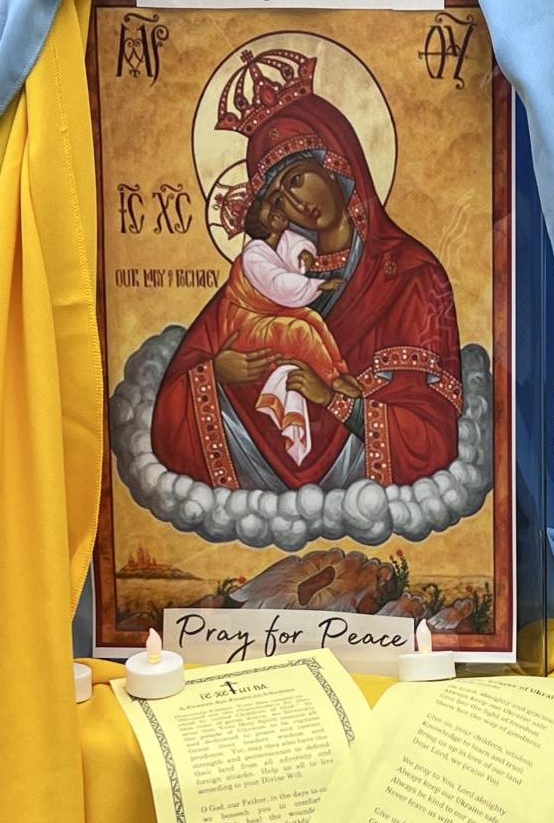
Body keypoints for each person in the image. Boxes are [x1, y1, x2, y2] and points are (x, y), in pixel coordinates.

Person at [151, 48, 463, 493]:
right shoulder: (266, 272)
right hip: (259, 484)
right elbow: (167, 419)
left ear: (335, 161)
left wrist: (334, 402)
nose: (296, 205)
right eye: (278, 200)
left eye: (297, 178)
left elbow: (434, 440)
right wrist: (216, 373)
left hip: (359, 488)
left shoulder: (413, 276)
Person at [216, 190, 362, 468]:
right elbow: (279, 284)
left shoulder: (278, 243)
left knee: (313, 320)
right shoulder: (253, 255)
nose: (279, 212)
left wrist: (304, 253)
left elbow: (293, 246)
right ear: (258, 224)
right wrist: (317, 285)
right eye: (270, 211)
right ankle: (332, 380)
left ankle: (339, 373)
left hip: (268, 317)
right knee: (300, 331)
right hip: (246, 328)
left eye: (276, 207)